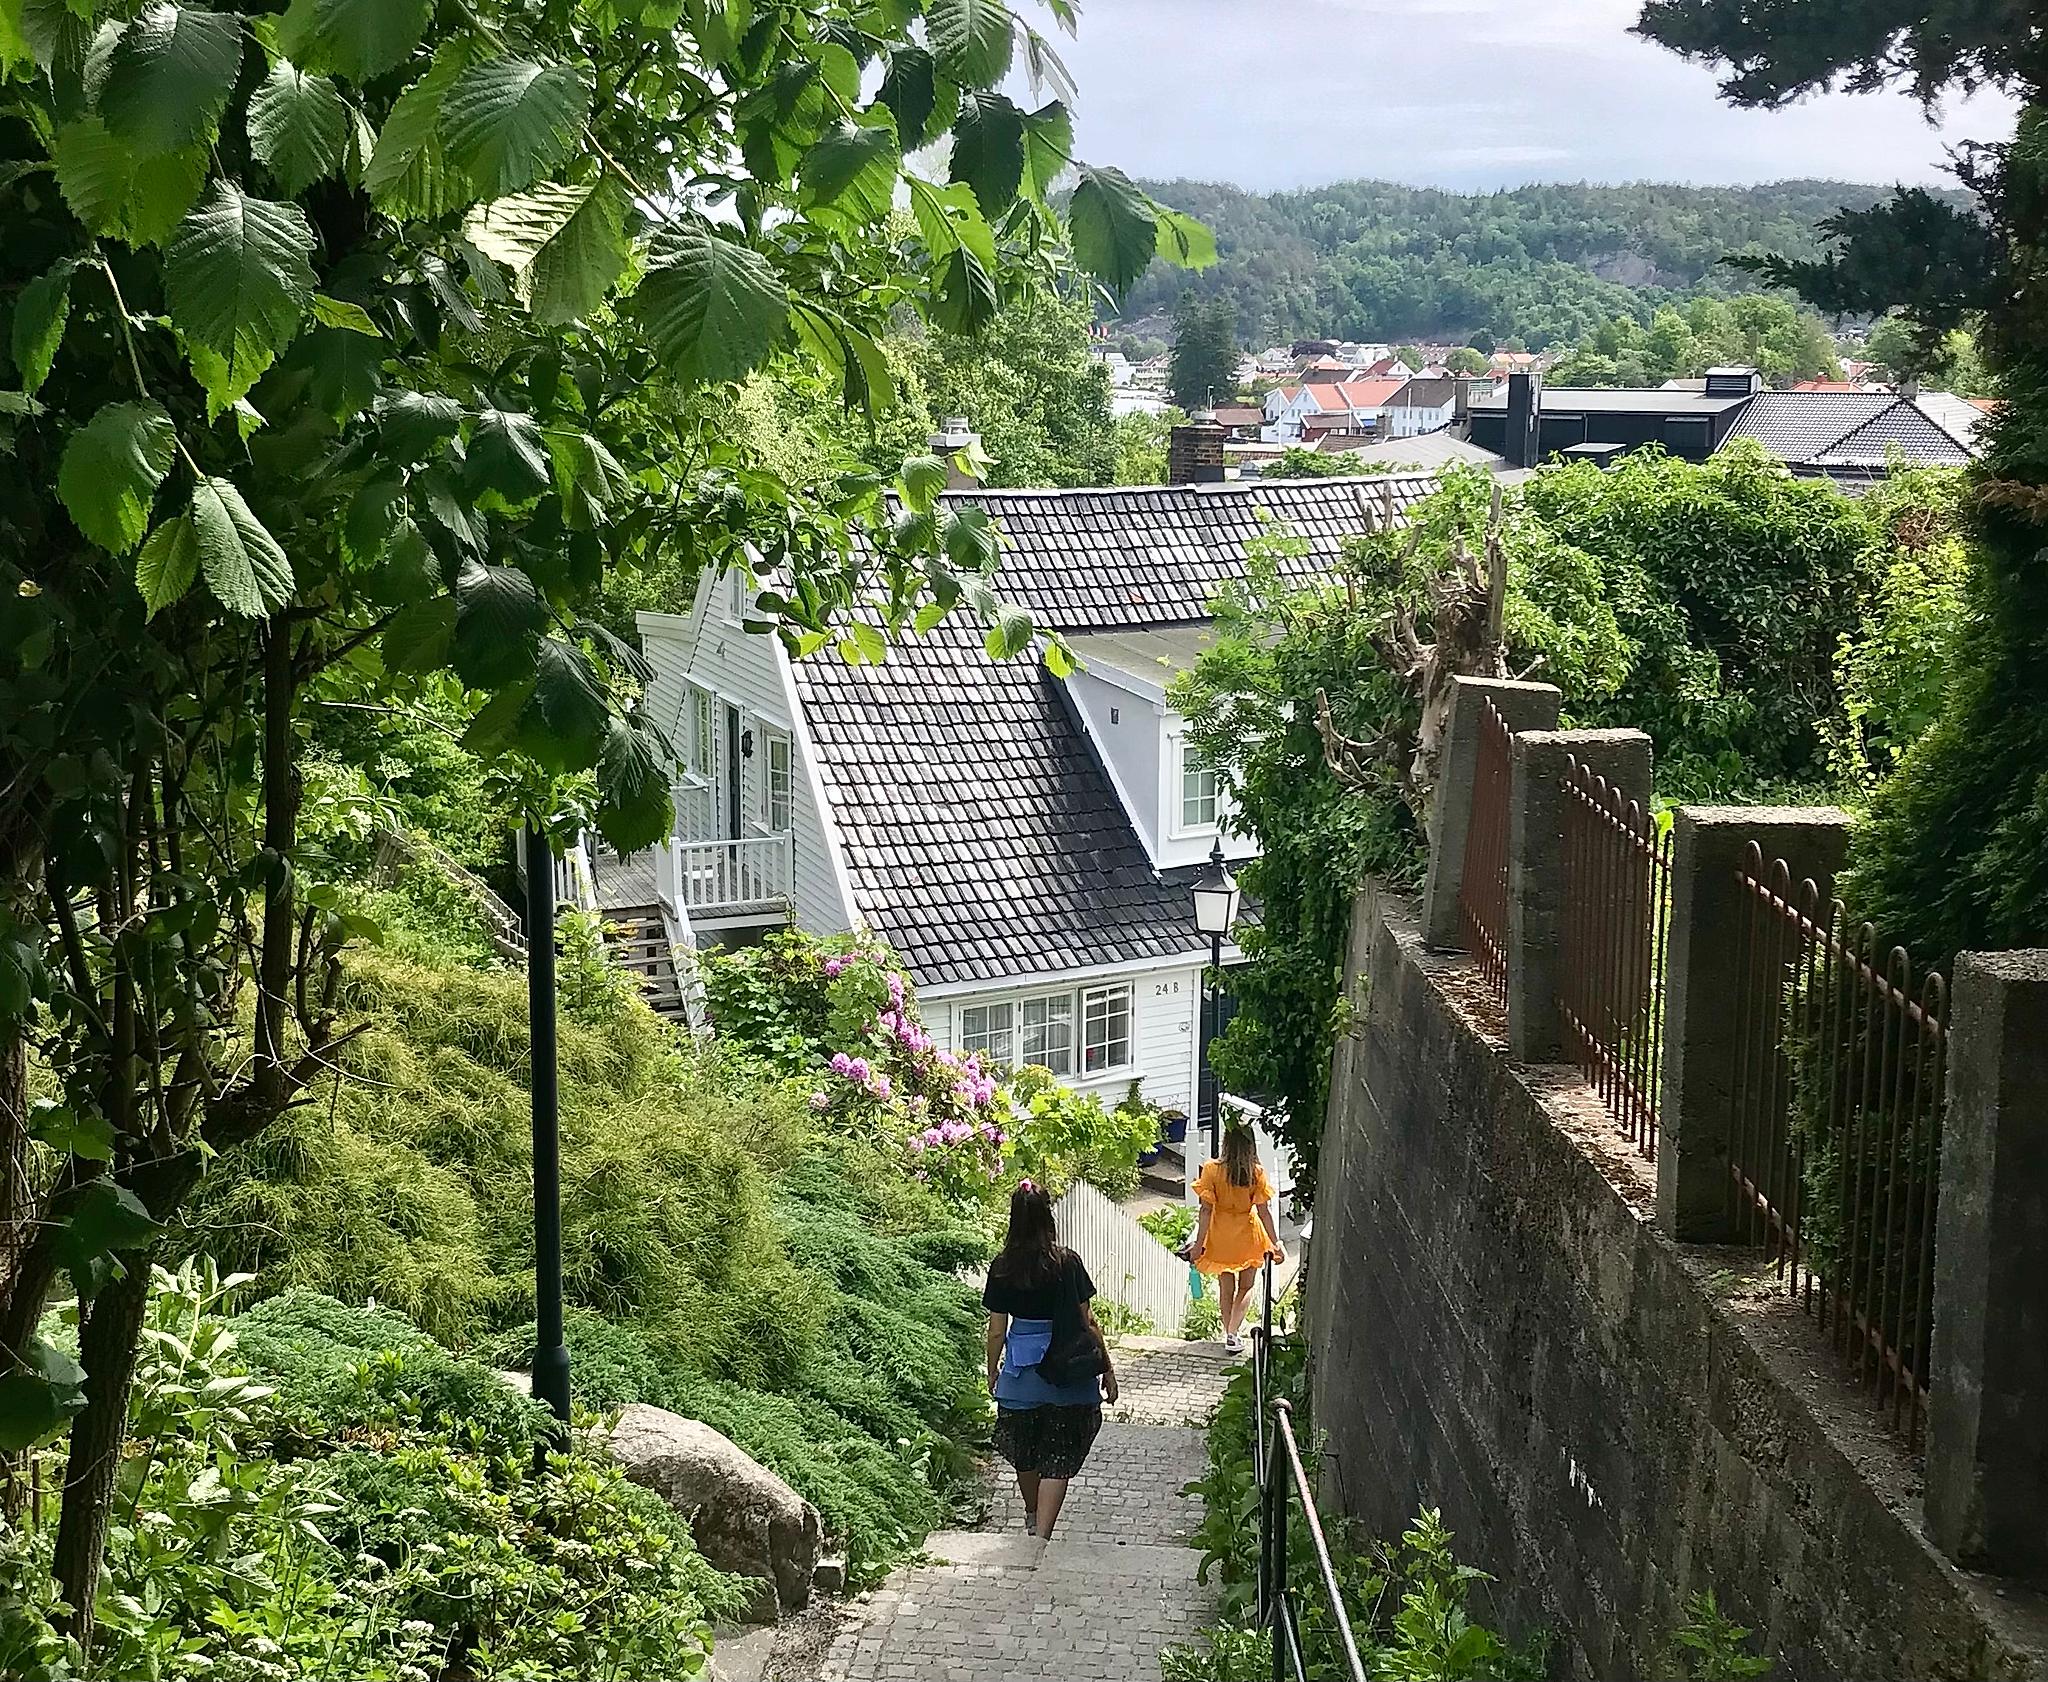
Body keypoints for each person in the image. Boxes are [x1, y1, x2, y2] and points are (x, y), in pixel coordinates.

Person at [983, 1180, 1119, 1540]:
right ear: (1048, 1217)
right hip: (1068, 1372)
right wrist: (1107, 1368)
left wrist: (992, 1371)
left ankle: (1031, 1516)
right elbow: (1087, 1321)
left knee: (1025, 1453)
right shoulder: (1067, 1262)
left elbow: (997, 1330)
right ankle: (1042, 1536)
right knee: (1058, 1457)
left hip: (1021, 1376)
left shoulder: (1002, 1267)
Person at [1188, 1119, 1285, 1355]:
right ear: (1251, 1144)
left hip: (1220, 1234)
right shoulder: (1256, 1172)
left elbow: (1205, 1210)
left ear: (1225, 1143)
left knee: (1225, 1286)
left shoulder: (1211, 1169)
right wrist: (1276, 1243)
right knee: (1247, 1286)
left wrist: (1198, 1245)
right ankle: (1233, 1333)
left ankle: (1228, 1334)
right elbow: (1264, 1211)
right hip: (1248, 1233)